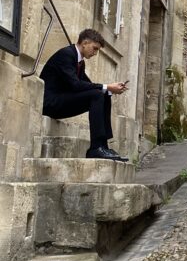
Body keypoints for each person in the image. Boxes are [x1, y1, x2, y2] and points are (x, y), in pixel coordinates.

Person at [40, 28, 129, 162]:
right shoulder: (66, 54)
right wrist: (106, 86)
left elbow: (86, 84)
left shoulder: (79, 61)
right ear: (85, 43)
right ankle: (95, 148)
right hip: (50, 103)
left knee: (103, 95)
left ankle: (103, 146)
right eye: (94, 48)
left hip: (61, 101)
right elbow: (76, 85)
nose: (95, 53)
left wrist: (110, 89)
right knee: (98, 94)